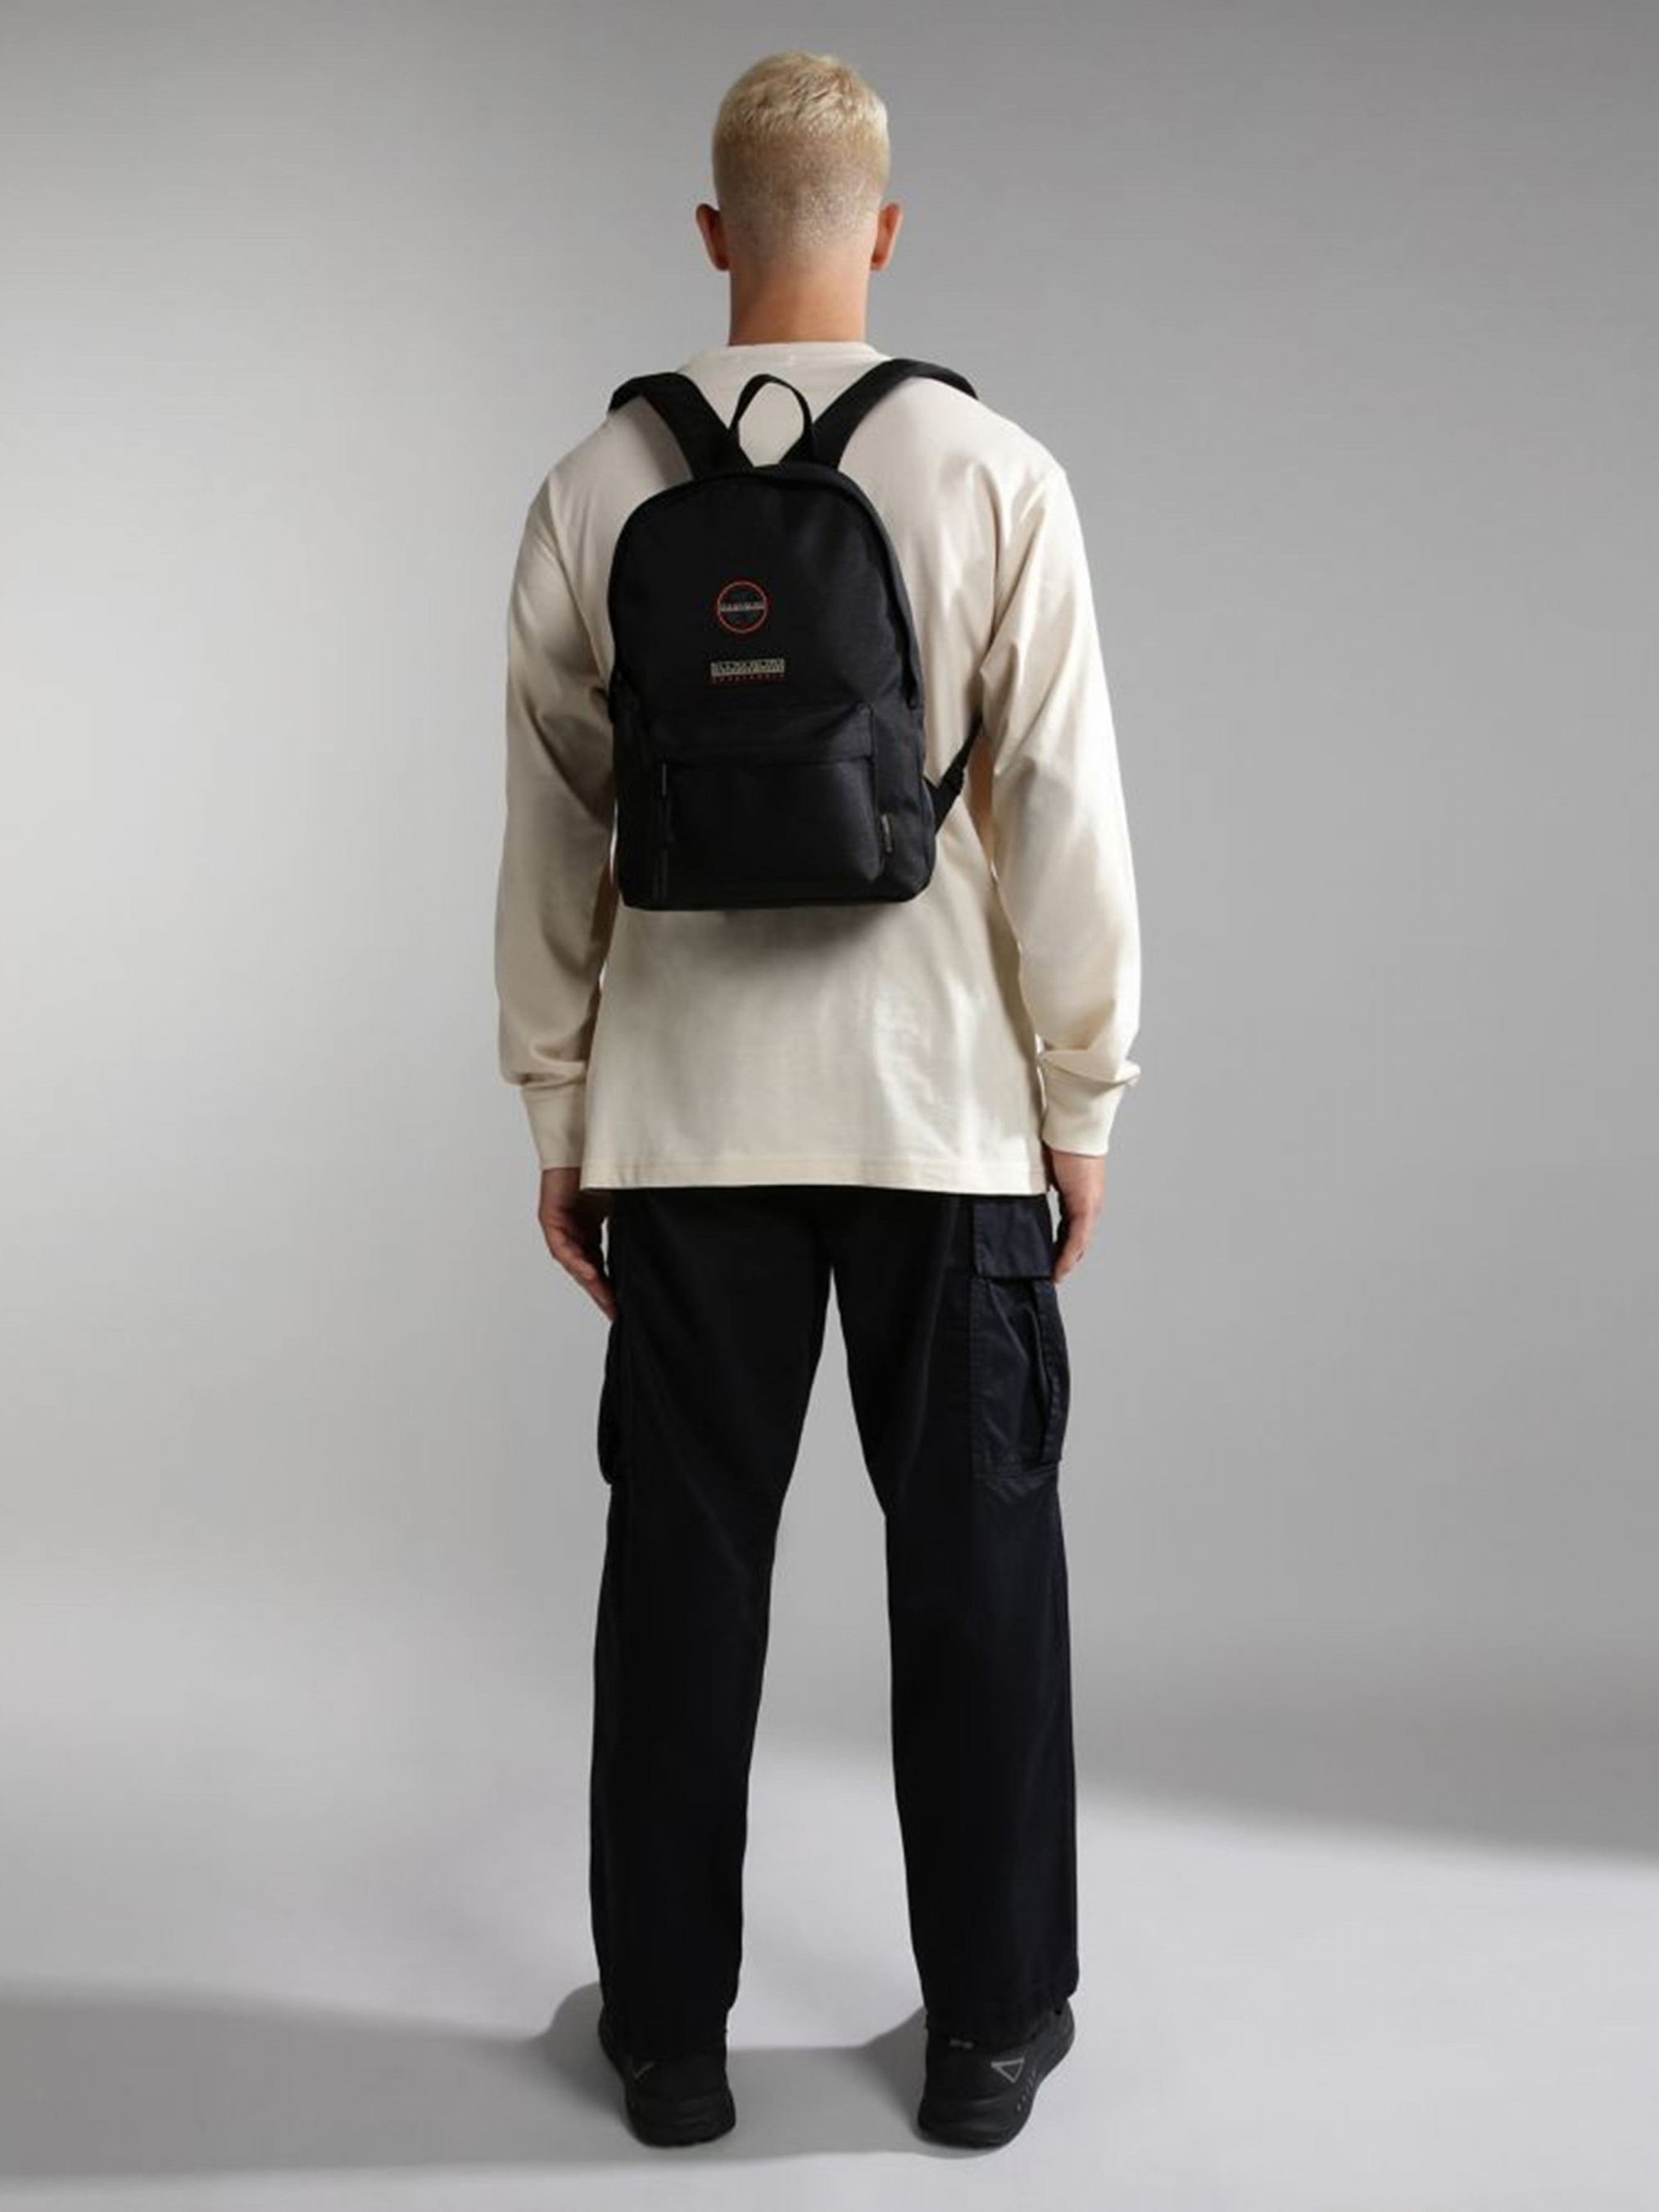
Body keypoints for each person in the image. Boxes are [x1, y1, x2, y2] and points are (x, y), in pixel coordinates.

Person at [493, 49, 1141, 2151]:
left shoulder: (597, 482)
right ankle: (988, 2034)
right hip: (940, 1124)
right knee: (975, 1578)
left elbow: (548, 825)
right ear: (883, 228)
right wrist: (1079, 1099)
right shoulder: (994, 470)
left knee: (683, 1588)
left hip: (686, 1128)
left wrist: (560, 1109)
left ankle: (668, 2043)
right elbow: (1063, 813)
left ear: (710, 233)